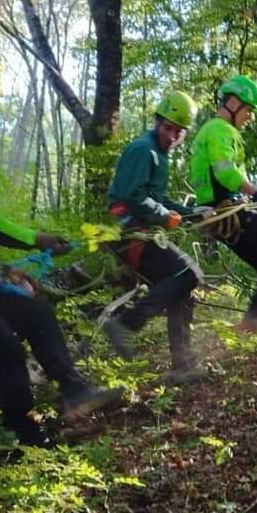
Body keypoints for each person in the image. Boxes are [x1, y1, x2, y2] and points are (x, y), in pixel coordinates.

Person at [0, 126, 123, 447]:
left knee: (37, 313)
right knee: (7, 353)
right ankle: (24, 438)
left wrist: (39, 241)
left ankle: (75, 391)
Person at [104, 90, 212, 381]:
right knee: (188, 273)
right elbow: (131, 196)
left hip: (142, 230)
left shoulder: (159, 156)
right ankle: (126, 324)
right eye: (167, 128)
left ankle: (182, 366)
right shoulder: (143, 150)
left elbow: (157, 198)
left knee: (182, 291)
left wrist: (192, 212)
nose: (171, 135)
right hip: (129, 232)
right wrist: (166, 216)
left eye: (178, 131)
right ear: (157, 122)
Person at [188, 74, 257, 334]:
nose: (250, 116)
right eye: (249, 110)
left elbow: (232, 177)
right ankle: (254, 318)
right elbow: (225, 172)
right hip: (230, 212)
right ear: (234, 103)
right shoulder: (220, 129)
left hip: (221, 217)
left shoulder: (216, 131)